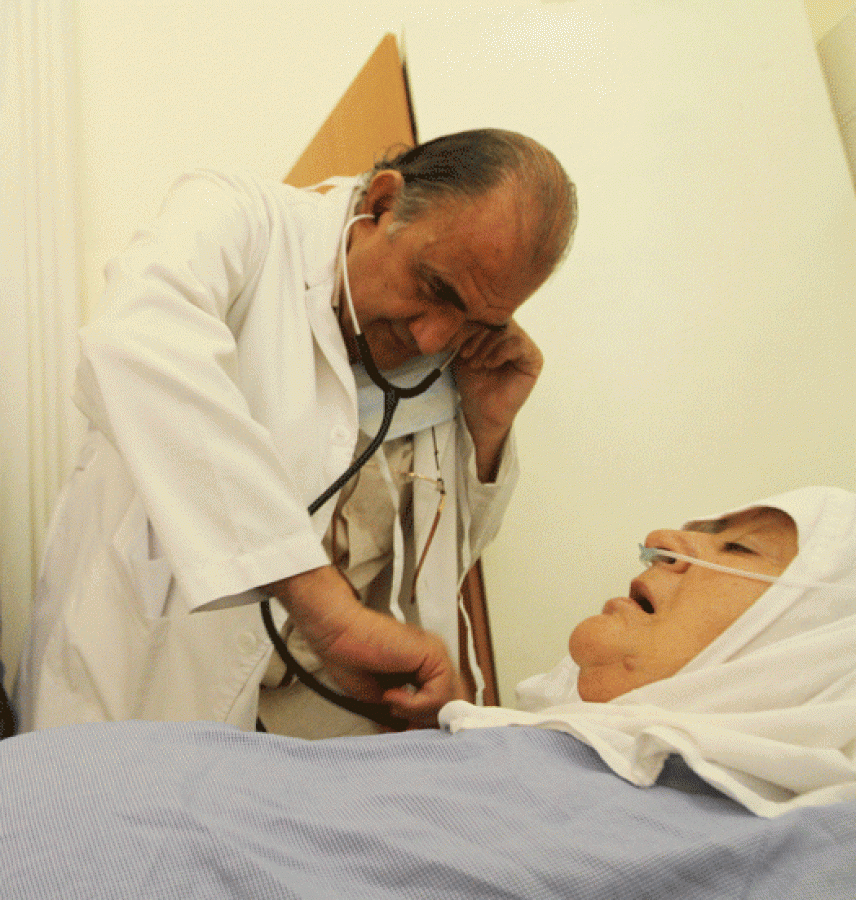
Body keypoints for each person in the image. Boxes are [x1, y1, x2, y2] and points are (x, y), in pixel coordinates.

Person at [2, 486, 855, 900]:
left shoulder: (802, 838)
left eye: (737, 549)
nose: (665, 537)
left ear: (815, 655)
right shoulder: (551, 760)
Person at [15, 129, 578, 737]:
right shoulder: (238, 219)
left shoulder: (451, 368)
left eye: (474, 322)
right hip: (146, 682)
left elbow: (440, 561)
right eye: (433, 288)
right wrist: (322, 604)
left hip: (311, 730)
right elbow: (133, 342)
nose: (432, 338)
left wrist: (488, 428)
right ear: (383, 204)